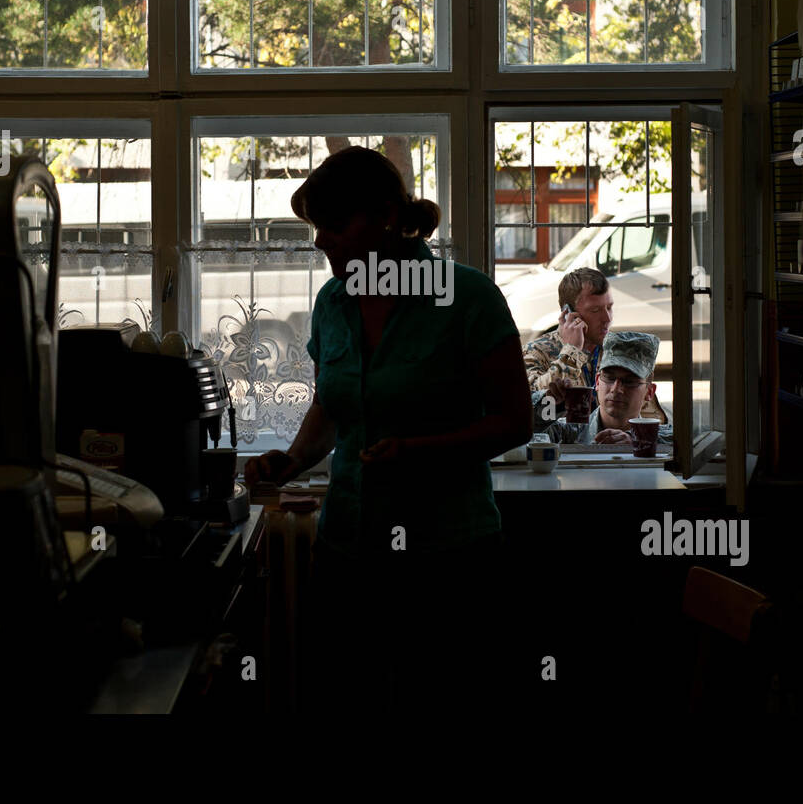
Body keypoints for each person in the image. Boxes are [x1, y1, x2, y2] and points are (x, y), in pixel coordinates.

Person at [243, 146, 532, 720]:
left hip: (446, 556)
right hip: (347, 549)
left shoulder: (468, 298)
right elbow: (330, 406)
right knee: (349, 704)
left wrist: (420, 453)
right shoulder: (331, 303)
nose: (321, 241)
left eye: (333, 225)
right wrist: (291, 460)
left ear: (383, 220)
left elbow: (514, 422)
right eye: (316, 227)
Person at [522, 268, 666, 429]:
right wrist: (571, 353)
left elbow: (650, 415)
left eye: (609, 307)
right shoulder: (537, 352)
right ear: (568, 313)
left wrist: (629, 438)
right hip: (563, 449)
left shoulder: (616, 349)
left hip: (614, 451)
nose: (607, 318)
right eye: (595, 310)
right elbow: (530, 407)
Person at [542, 331, 674, 447]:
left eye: (629, 382)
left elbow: (683, 443)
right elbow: (528, 433)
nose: (616, 389)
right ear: (597, 381)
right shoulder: (568, 432)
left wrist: (638, 443)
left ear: (649, 391)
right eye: (610, 378)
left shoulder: (660, 438)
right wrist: (548, 403)